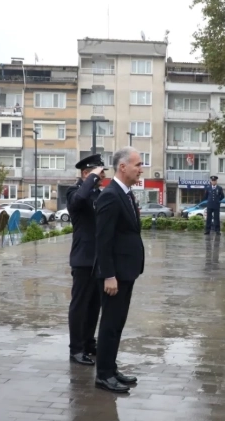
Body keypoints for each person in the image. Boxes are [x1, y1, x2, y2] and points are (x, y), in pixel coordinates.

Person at [92, 147, 145, 393]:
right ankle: (103, 375)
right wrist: (109, 275)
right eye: (138, 164)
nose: (141, 169)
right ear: (123, 167)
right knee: (110, 324)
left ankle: (111, 368)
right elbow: (103, 240)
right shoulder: (110, 195)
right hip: (115, 274)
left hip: (127, 270)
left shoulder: (125, 193)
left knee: (118, 323)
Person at [66, 153, 108, 366]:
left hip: (98, 259)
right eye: (98, 173)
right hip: (83, 258)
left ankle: (89, 343)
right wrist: (91, 178)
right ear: (85, 174)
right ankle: (76, 349)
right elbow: (80, 200)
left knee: (94, 305)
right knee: (80, 305)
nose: (102, 177)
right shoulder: (74, 192)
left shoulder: (99, 194)